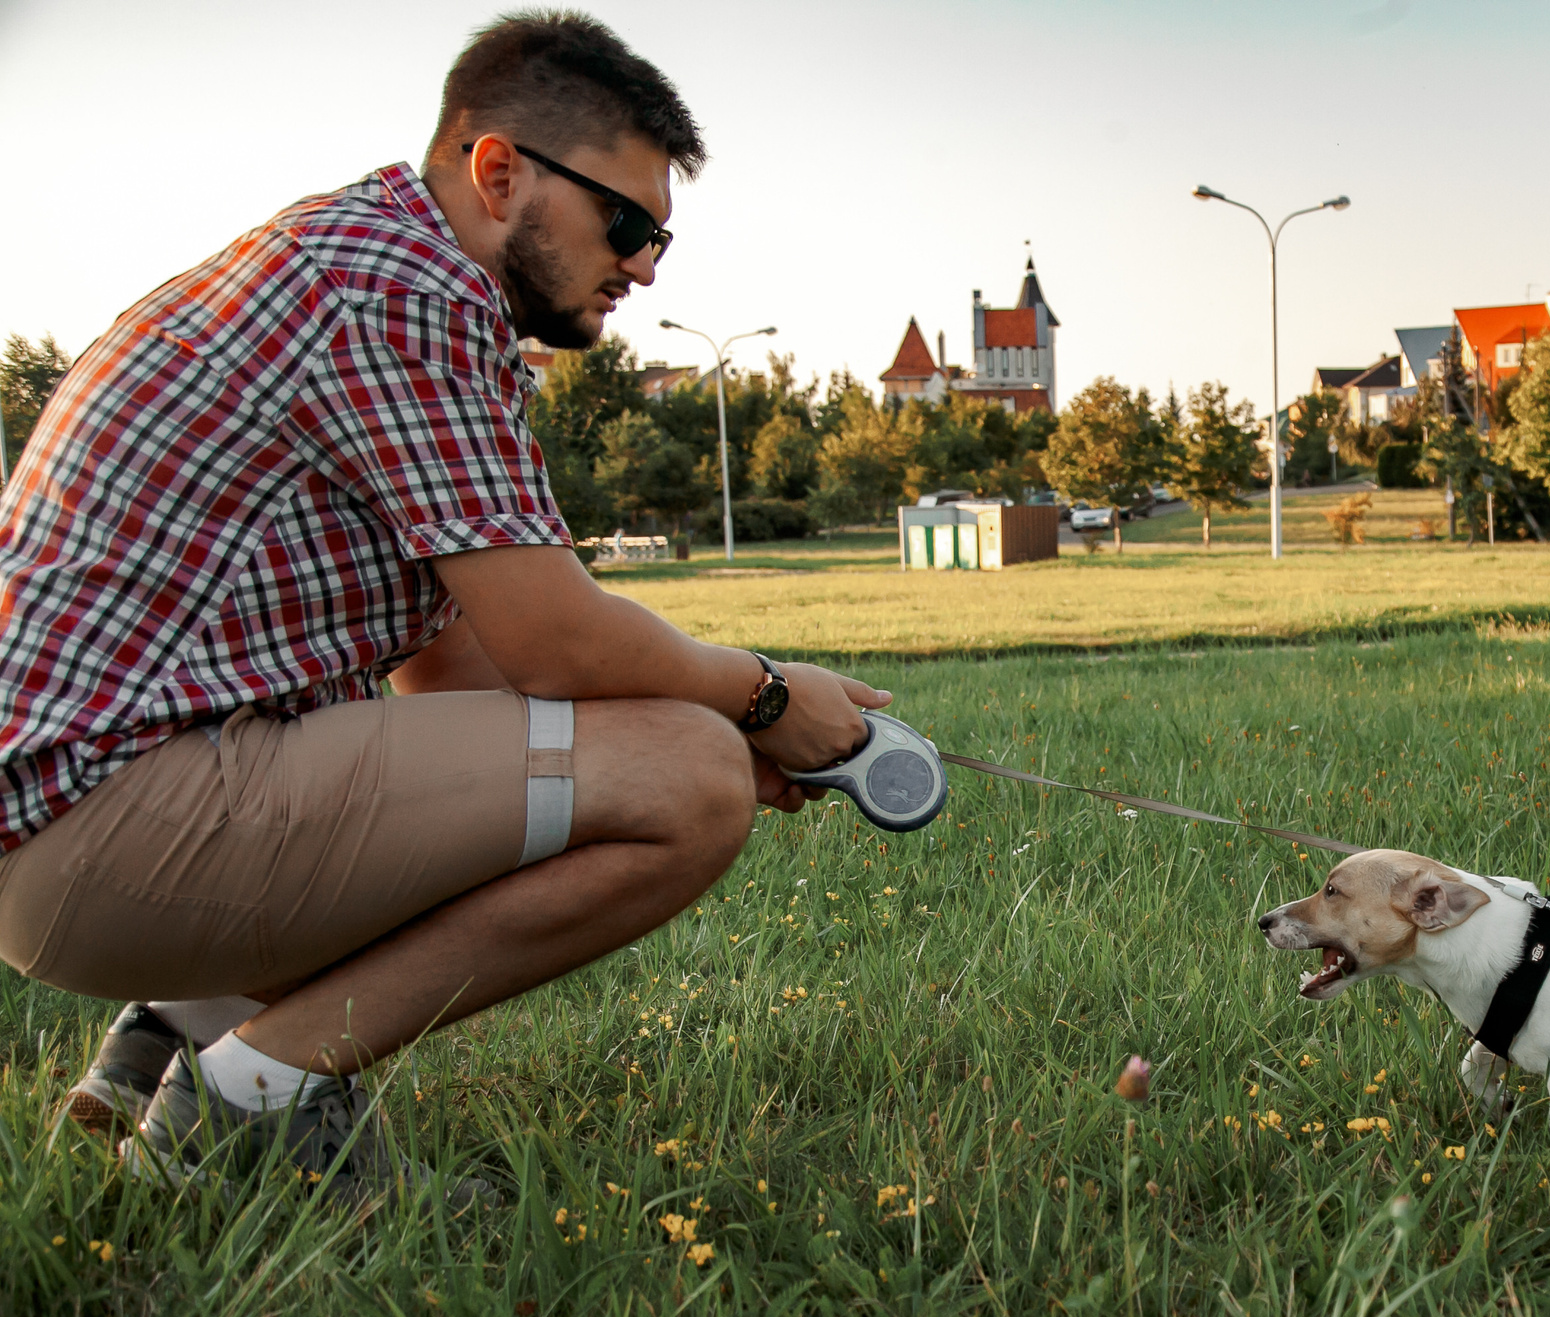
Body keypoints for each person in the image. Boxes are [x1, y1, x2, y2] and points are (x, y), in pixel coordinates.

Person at [0, 11, 887, 1204]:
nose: (644, 267)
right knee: (690, 783)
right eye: (626, 223)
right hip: (94, 823)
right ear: (498, 169)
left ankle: (173, 1035)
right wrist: (762, 699)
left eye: (660, 238)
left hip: (82, 820)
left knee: (672, 756)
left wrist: (698, 727)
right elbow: (555, 639)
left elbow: (458, 672)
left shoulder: (360, 266)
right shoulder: (404, 288)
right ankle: (242, 1114)